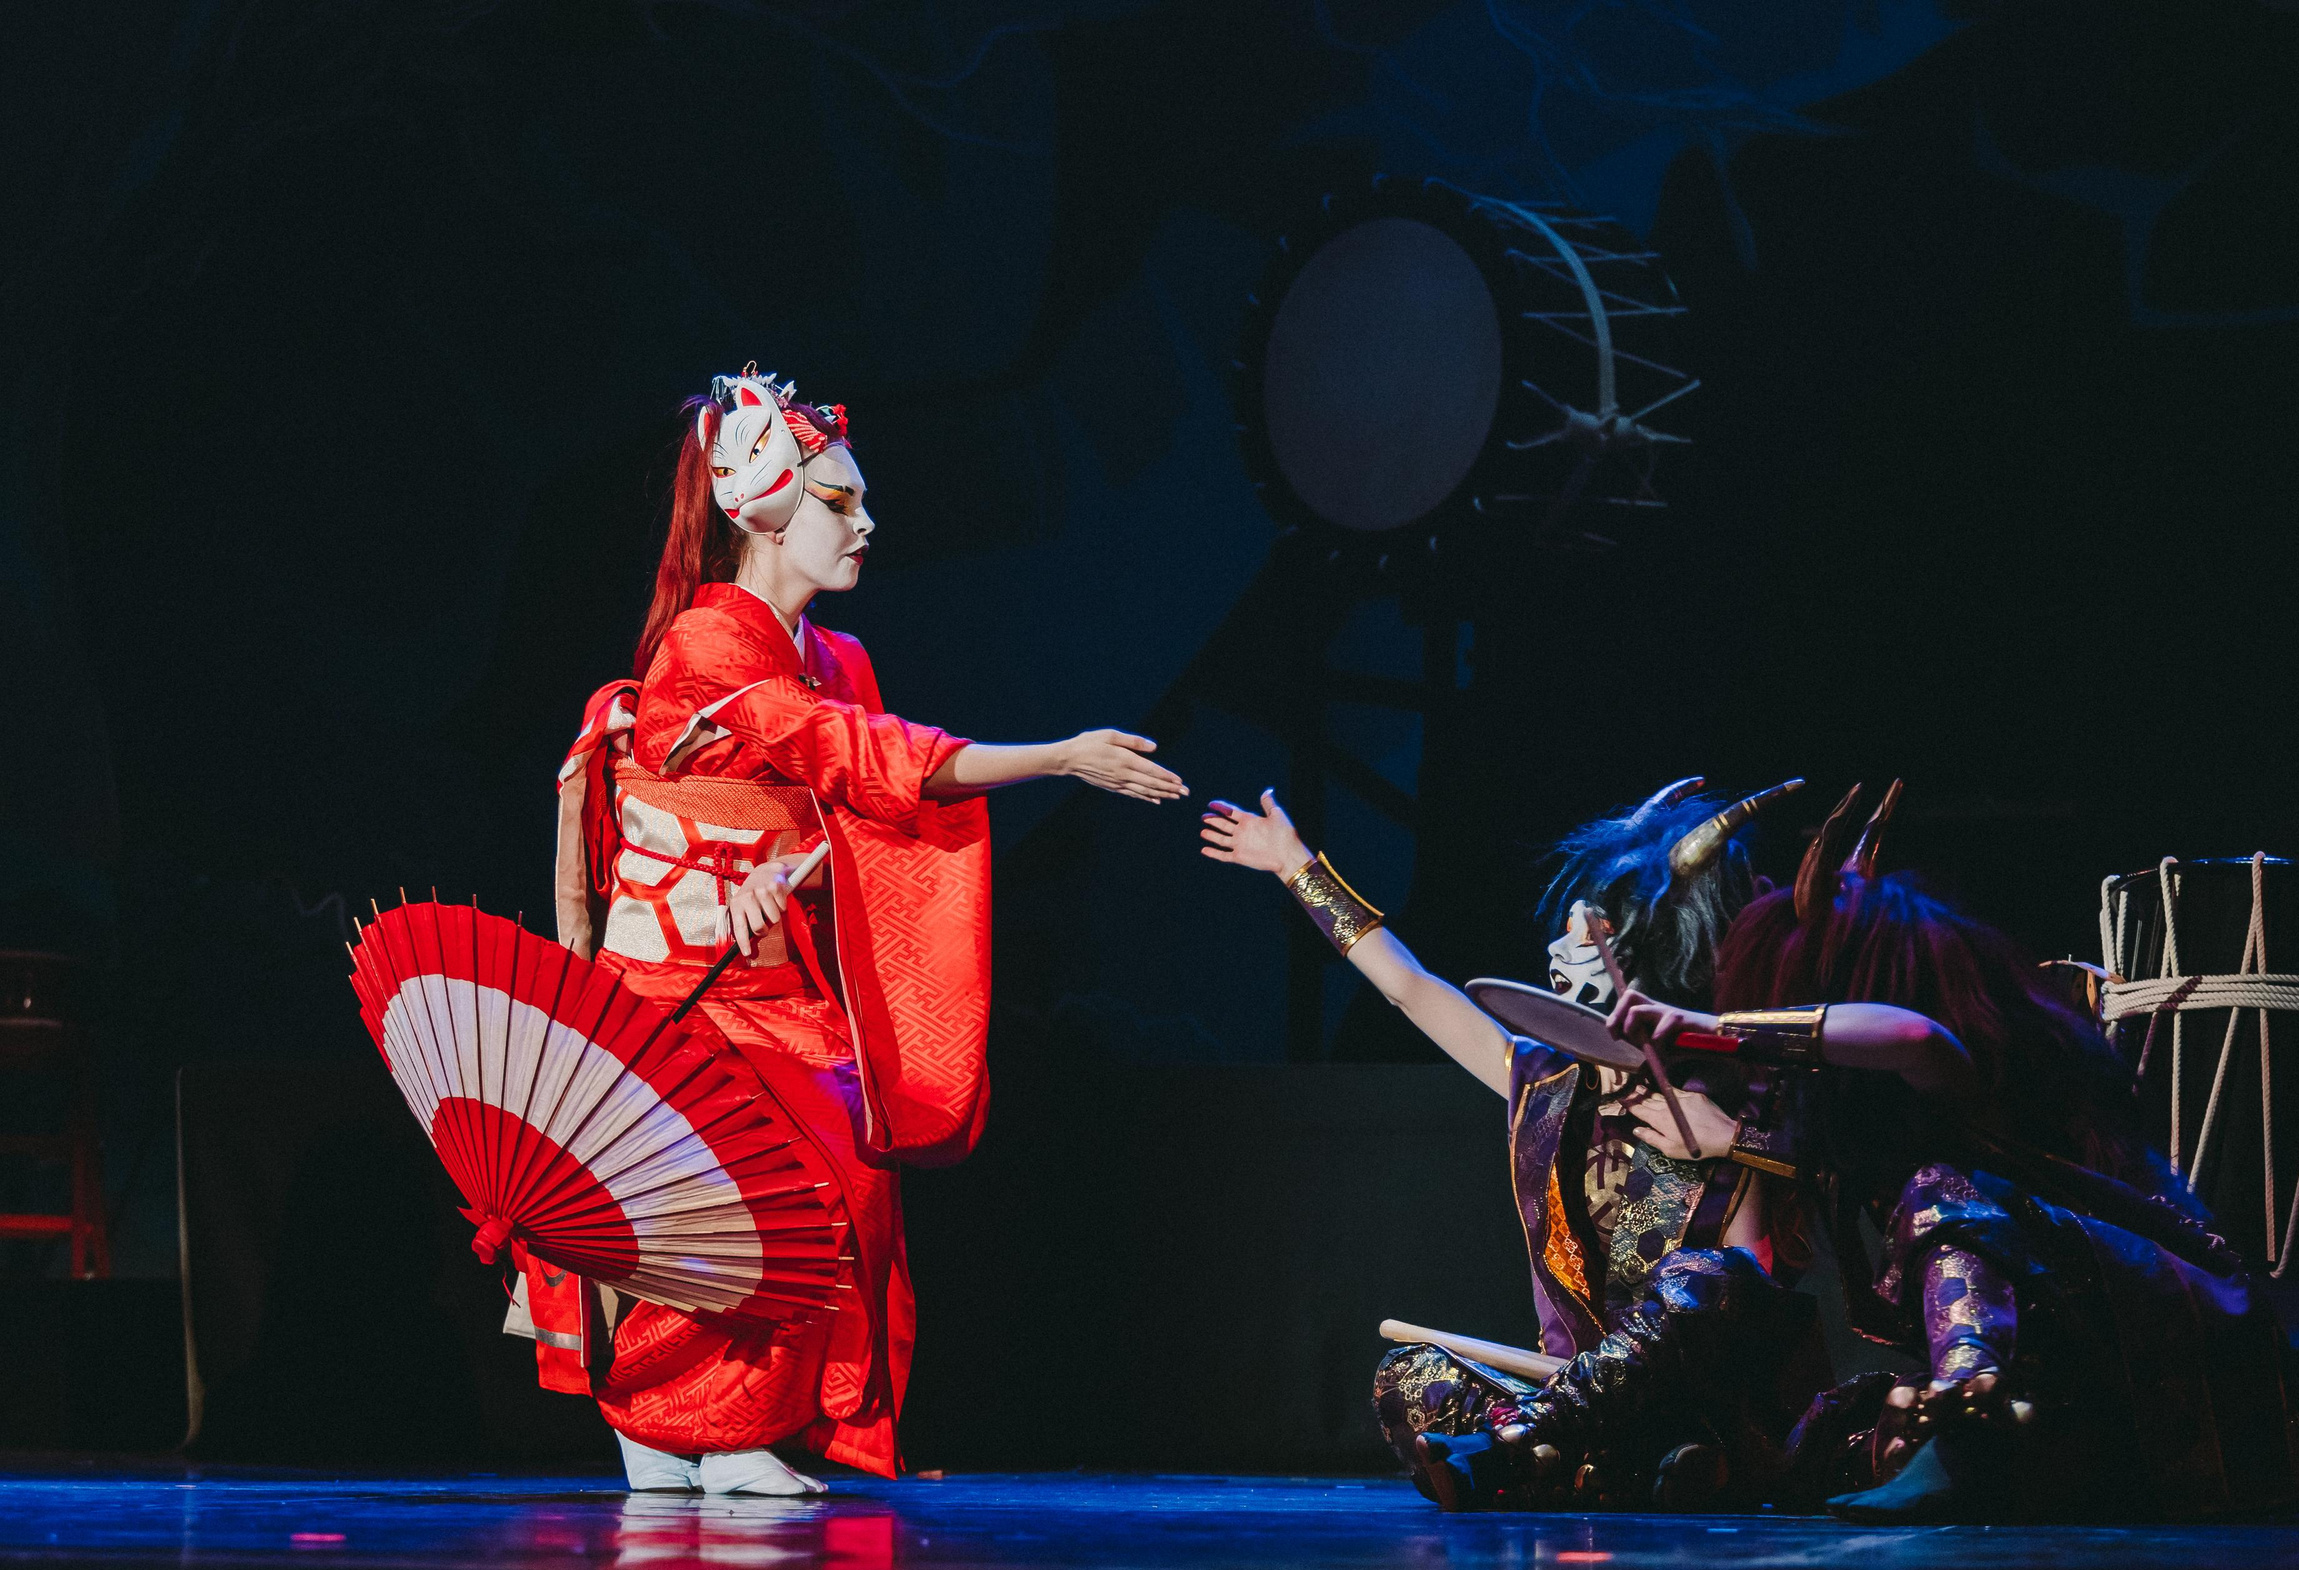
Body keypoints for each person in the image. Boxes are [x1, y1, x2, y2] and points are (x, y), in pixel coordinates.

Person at [532, 365, 1185, 1495]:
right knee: (721, 1190)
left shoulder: (836, 659)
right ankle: (663, 1415)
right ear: (760, 507)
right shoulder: (704, 644)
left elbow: (859, 810)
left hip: (770, 961)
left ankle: (744, 1420)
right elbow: (865, 759)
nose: (866, 521)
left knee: (848, 1179)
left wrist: (787, 871)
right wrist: (1056, 757)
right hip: (677, 973)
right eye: (839, 501)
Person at [1414, 784, 2299, 1522]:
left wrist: (1717, 1032)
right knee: (1830, 1434)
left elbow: (1915, 1038)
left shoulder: (1961, 1081)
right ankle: (1944, 1426)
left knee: (1938, 1193)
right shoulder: (1841, 1127)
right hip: (2071, 1404)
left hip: (2164, 1347)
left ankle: (1968, 1402)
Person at [1202, 775, 1833, 1508]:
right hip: (1568, 1393)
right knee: (1408, 1379)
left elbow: (1743, 1288)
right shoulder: (1540, 1082)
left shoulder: (1734, 1102)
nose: (1564, 944)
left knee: (1707, 1279)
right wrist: (1298, 869)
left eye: (1587, 931)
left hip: (1708, 1400)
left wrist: (1735, 1143)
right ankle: (1600, 1461)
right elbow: (1408, 987)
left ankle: (1561, 1454)